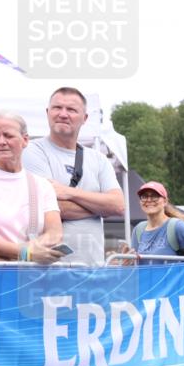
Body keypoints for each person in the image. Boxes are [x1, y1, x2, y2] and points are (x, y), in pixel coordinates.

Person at [22, 87, 124, 265]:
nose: (63, 114)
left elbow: (118, 206)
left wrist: (68, 192)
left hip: (92, 267)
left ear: (84, 118)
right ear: (47, 113)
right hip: (46, 269)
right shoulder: (32, 151)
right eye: (57, 108)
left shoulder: (99, 159)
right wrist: (100, 209)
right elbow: (46, 208)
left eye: (71, 109)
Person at [0, 112, 64, 263]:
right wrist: (26, 253)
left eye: (8, 135)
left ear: (25, 140)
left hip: (31, 277)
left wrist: (27, 252)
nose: (1, 141)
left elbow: (55, 233)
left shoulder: (41, 185)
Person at [131, 181, 184, 257]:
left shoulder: (177, 227)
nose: (149, 200)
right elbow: (134, 265)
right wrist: (126, 263)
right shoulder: (138, 230)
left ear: (165, 201)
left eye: (154, 196)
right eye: (144, 196)